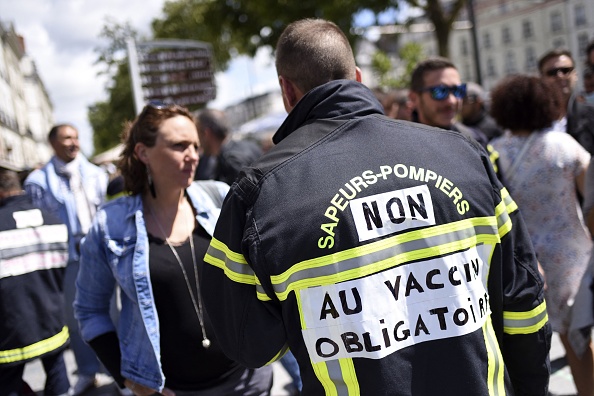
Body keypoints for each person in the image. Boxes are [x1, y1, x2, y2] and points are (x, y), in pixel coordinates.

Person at [201, 18, 550, 395]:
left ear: (286, 90)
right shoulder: (465, 156)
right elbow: (524, 302)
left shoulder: (260, 194)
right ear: (358, 77)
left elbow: (246, 343)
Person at [74, 101, 273, 395]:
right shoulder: (112, 225)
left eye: (195, 145)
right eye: (179, 146)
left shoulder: (218, 199)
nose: (192, 155)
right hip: (171, 388)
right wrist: (127, 379)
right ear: (143, 152)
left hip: (247, 380)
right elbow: (90, 311)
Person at [489, 74, 593, 396]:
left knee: (525, 344)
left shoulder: (493, 151)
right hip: (571, 255)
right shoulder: (563, 145)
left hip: (524, 260)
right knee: (578, 340)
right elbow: (591, 198)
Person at [23, 124, 108, 395]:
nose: (73, 142)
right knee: (75, 318)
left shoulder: (97, 175)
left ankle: (119, 372)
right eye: (66, 138)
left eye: (75, 137)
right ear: (53, 144)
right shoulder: (37, 182)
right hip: (65, 258)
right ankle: (87, 371)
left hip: (101, 251)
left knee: (114, 313)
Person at [0, 168, 70, 395]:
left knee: (8, 384)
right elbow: (62, 269)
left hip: (10, 331)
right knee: (58, 374)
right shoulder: (53, 221)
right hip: (52, 319)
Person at [538, 49, 594, 155]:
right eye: (552, 73)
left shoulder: (591, 114)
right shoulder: (530, 120)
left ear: (575, 75)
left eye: (565, 70)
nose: (560, 76)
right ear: (541, 79)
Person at [194, 108, 263, 184]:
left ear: (207, 134)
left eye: (198, 134)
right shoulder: (250, 145)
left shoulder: (230, 161)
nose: (197, 141)